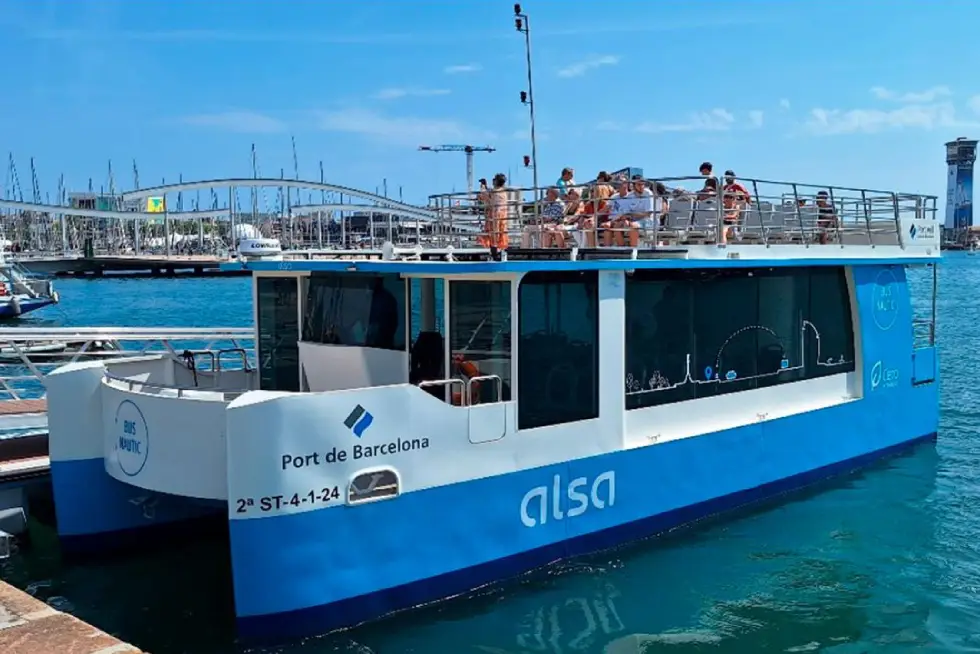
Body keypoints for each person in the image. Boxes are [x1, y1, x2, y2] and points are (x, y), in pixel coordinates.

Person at [477, 173, 510, 249]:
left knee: (494, 231)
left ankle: (494, 246)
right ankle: (499, 246)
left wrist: (482, 187)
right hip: (503, 214)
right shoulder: (503, 191)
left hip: (495, 214)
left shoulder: (495, 192)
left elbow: (484, 196)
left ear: (496, 181)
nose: (493, 180)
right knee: (500, 231)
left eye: (494, 179)